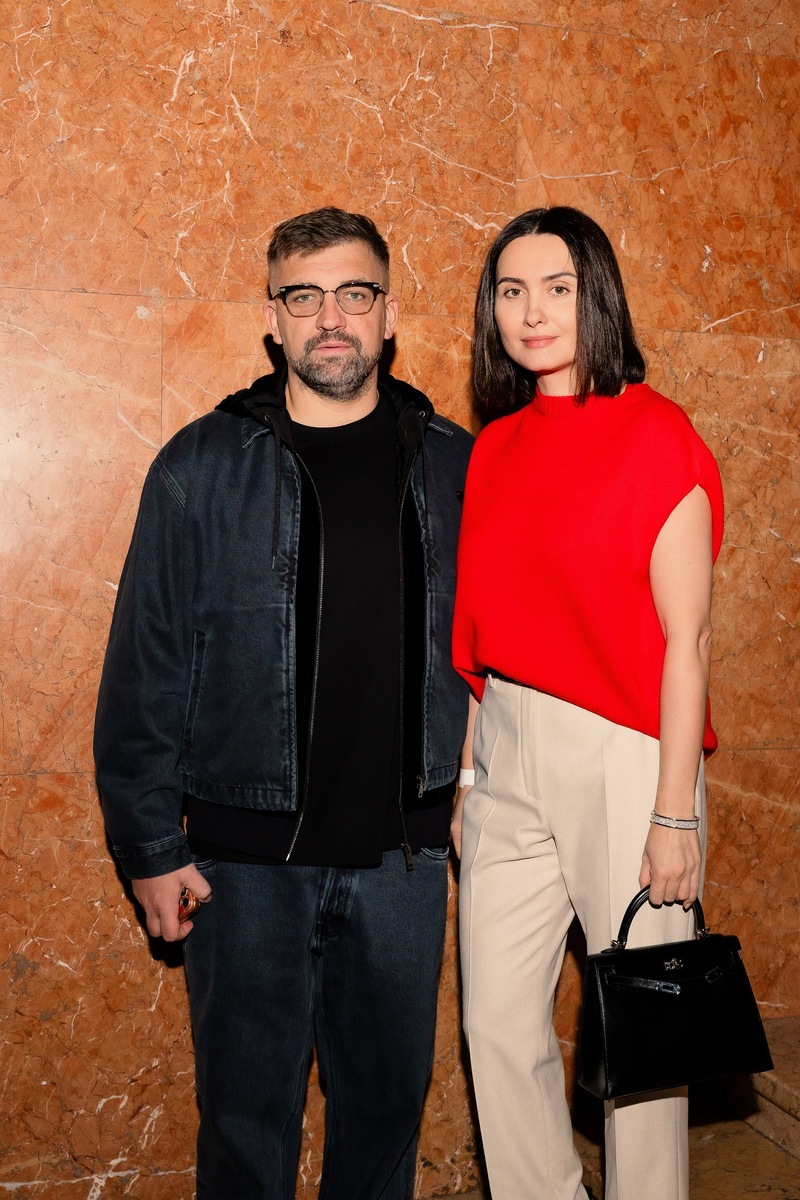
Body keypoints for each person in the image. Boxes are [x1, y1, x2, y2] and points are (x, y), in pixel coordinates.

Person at [94, 206, 473, 1200]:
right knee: (244, 1129)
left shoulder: (454, 464)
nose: (330, 318)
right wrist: (150, 846)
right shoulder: (201, 465)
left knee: (383, 1125)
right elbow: (145, 666)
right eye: (304, 297)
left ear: (389, 314)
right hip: (242, 867)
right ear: (274, 319)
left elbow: (499, 653)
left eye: (354, 293)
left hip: (402, 865)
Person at [450, 206, 724, 1200]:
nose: (532, 312)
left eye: (557, 288)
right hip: (506, 747)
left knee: (640, 1034)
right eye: (511, 291)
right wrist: (470, 777)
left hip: (625, 752)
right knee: (493, 1021)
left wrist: (673, 812)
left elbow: (687, 640)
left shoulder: (658, 436)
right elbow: (482, 629)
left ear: (596, 295)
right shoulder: (493, 448)